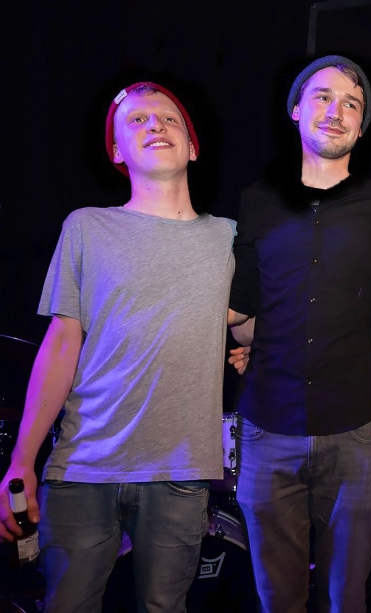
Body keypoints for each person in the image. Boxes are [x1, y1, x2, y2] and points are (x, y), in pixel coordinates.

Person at [0, 81, 236, 612]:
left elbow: (249, 324)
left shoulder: (229, 237)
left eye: (169, 118)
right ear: (116, 151)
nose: (155, 125)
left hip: (179, 474)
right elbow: (61, 344)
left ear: (193, 147)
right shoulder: (87, 226)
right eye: (137, 120)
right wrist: (22, 460)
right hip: (83, 468)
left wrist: (250, 341)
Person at [226, 55, 371, 613]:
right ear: (295, 109)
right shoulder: (256, 203)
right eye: (323, 97)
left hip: (354, 431)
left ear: (362, 125)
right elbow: (241, 308)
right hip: (266, 428)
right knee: (276, 599)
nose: (337, 111)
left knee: (346, 598)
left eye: (351, 104)